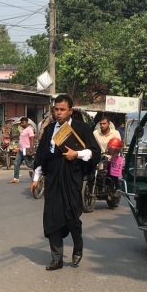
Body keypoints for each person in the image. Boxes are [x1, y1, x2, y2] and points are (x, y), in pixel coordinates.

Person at [31, 94, 101, 271]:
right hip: (53, 179)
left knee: (72, 218)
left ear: (70, 111)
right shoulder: (49, 131)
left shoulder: (81, 128)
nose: (59, 113)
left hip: (72, 178)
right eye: (56, 109)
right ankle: (57, 258)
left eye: (62, 110)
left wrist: (76, 154)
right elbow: (41, 156)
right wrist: (36, 178)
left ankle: (78, 244)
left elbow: (94, 152)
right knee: (52, 217)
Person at [9, 116, 34, 184]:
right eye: (21, 123)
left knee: (29, 164)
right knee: (16, 163)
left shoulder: (29, 130)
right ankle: (16, 178)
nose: (21, 124)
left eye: (23, 123)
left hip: (26, 149)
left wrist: (31, 149)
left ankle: (38, 169)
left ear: (26, 122)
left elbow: (32, 140)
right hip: (20, 150)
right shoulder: (23, 130)